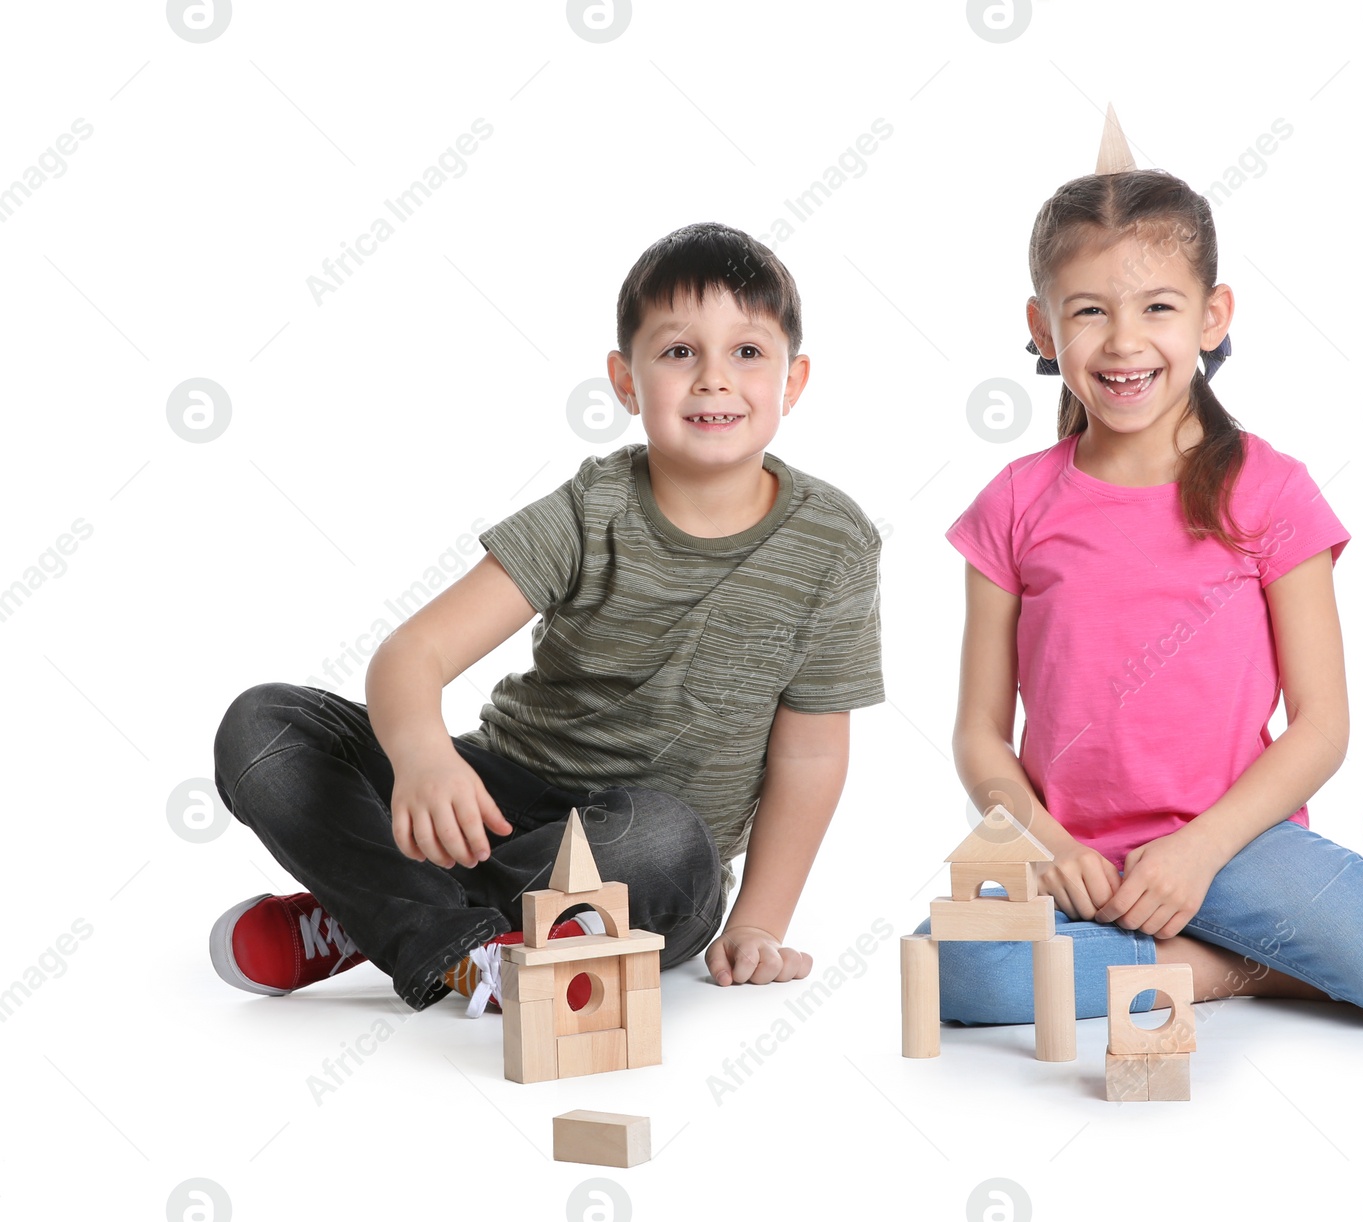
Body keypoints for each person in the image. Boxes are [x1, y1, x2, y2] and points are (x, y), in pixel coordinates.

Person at [210, 221, 885, 1014]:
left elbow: (809, 758)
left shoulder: (833, 541)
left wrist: (760, 922)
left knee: (666, 845)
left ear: (792, 381)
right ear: (626, 381)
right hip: (492, 798)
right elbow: (413, 653)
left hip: (637, 854)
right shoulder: (590, 507)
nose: (712, 380)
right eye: (677, 352)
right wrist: (426, 760)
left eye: (747, 352)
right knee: (264, 725)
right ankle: (453, 936)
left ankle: (381, 909)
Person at [919, 108, 1363, 1025]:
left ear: (1213, 315)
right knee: (957, 974)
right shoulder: (1013, 506)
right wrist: (1046, 843)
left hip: (1237, 846)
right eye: (1089, 311)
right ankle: (1219, 957)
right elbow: (980, 732)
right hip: (1084, 860)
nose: (1124, 341)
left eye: (1158, 308)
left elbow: (1322, 725)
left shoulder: (1272, 492)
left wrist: (1200, 851)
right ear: (1043, 327)